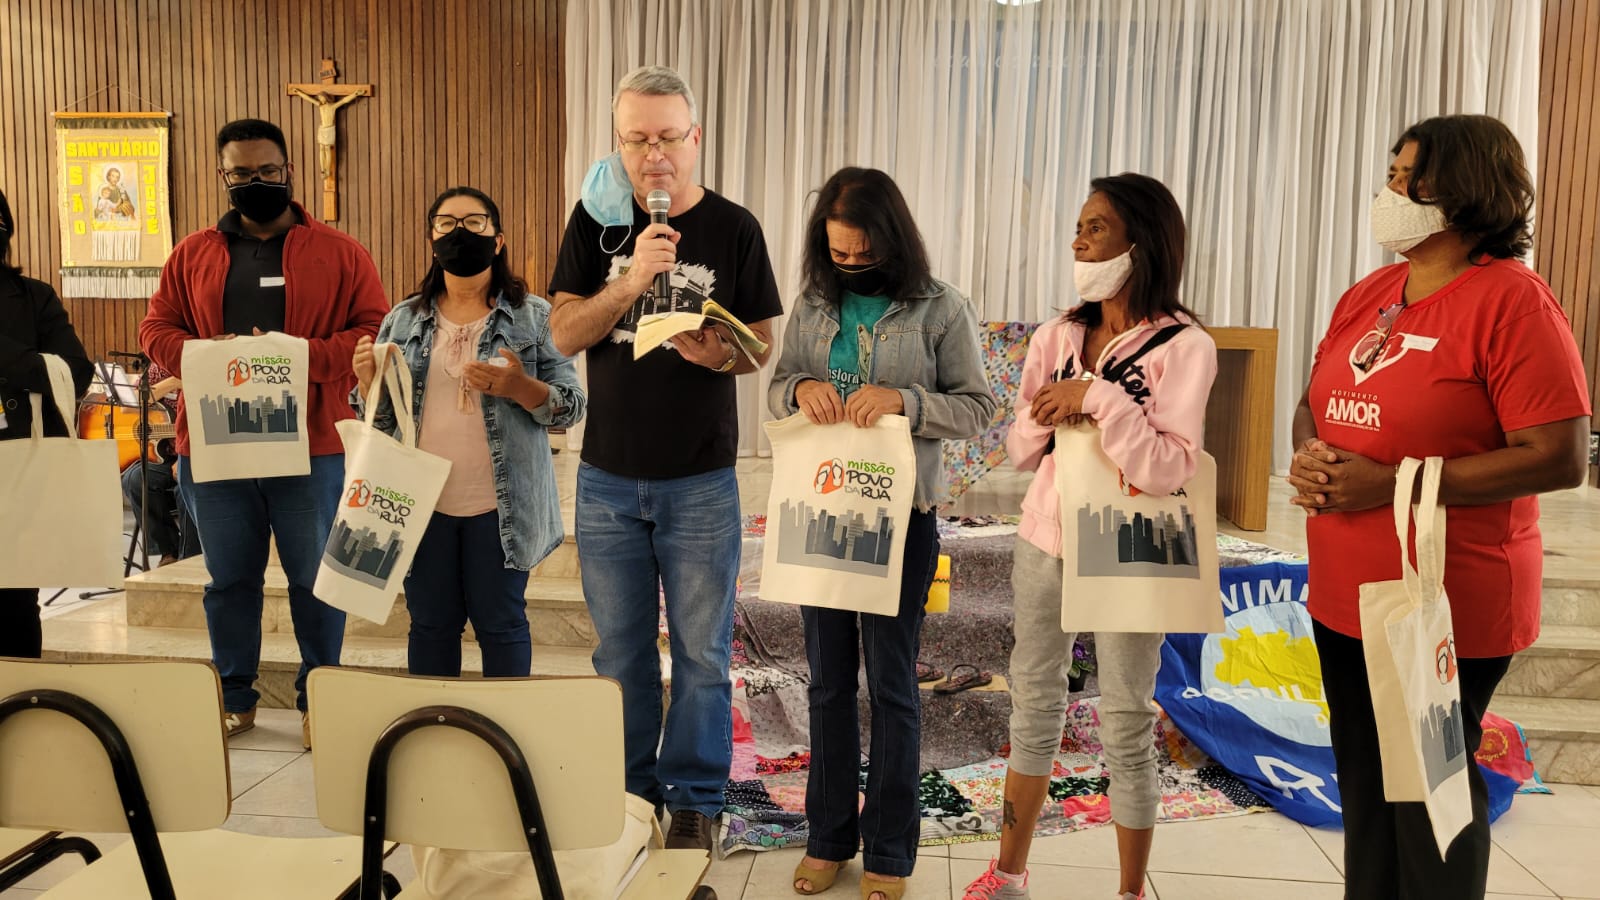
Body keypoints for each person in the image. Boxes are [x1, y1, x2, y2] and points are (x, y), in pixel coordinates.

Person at [1287, 114, 1590, 900]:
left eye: (1406, 178)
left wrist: (1392, 483)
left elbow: (1557, 457)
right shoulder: (1372, 293)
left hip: (1443, 598)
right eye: (1390, 175)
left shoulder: (1513, 302)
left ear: (1462, 189)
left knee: (1431, 798)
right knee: (1366, 784)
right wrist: (1312, 455)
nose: (1389, 193)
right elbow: (1314, 401)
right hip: (1347, 590)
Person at [547, 65, 784, 852]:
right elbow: (563, 334)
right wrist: (630, 282)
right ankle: (628, 793)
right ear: (618, 142)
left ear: (696, 139)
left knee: (702, 653)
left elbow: (763, 348)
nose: (653, 155)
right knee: (619, 652)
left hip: (702, 478)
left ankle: (695, 796)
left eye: (667, 138)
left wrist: (720, 355)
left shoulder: (735, 227)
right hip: (608, 474)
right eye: (636, 139)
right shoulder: (595, 223)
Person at [962, 174, 1217, 900]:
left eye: (1096, 227)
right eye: (1078, 226)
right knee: (1033, 700)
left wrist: (1099, 399)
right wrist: (1053, 408)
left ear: (1143, 241)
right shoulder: (1058, 335)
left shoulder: (1185, 347)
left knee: (1126, 715)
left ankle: (1131, 890)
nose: (1079, 240)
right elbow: (1016, 448)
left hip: (1133, 548)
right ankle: (1009, 873)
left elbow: (1172, 466)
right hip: (1046, 538)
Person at [769, 167, 995, 900]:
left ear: (893, 241)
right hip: (822, 516)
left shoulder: (941, 307)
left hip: (903, 521)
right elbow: (777, 387)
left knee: (892, 685)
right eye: (839, 255)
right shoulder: (811, 304)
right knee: (829, 682)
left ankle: (891, 850)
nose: (851, 265)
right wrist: (799, 388)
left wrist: (903, 399)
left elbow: (978, 407)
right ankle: (828, 838)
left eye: (865, 254)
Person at [139, 118, 388, 748]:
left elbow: (374, 329)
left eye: (268, 171)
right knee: (228, 580)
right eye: (242, 174)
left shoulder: (339, 251)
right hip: (217, 446)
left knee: (315, 579)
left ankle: (320, 696)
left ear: (289, 172)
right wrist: (203, 354)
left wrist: (299, 357)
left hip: (310, 443)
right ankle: (234, 695)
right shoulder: (191, 253)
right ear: (224, 178)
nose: (257, 182)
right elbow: (155, 329)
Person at [352, 187, 585, 678]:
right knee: (431, 625)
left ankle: (508, 737)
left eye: (474, 223)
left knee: (501, 624)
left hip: (500, 506)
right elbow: (381, 424)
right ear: (432, 239)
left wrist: (522, 387)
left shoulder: (536, 315)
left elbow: (572, 406)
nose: (460, 232)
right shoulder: (402, 319)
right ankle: (436, 739)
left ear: (497, 240)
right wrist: (368, 386)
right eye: (446, 223)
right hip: (420, 504)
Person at [0, 187, 94, 658]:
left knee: (14, 603)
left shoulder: (32, 298)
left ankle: (18, 709)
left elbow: (75, 373)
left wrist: (8, 356)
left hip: (18, 467)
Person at [118, 362, 202, 567]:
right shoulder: (159, 369)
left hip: (197, 454)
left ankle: (190, 558)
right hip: (163, 456)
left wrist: (186, 457)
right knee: (135, 479)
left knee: (187, 486)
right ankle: (168, 551)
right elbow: (128, 406)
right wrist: (173, 381)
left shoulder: (205, 367)